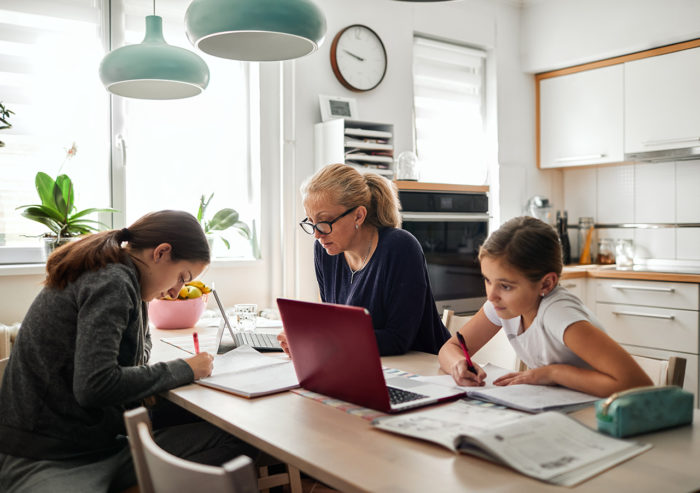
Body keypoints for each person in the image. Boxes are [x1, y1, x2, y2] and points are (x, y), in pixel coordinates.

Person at [0, 210, 256, 493]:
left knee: (234, 438)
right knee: (235, 446)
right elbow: (94, 386)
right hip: (49, 456)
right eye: (182, 277)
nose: (176, 292)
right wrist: (186, 369)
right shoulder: (112, 281)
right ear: (161, 252)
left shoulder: (124, 278)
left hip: (89, 441)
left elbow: (136, 357)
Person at [438, 216, 652, 397]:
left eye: (505, 286)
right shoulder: (503, 304)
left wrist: (552, 373)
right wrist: (458, 364)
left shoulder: (558, 315)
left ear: (546, 284)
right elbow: (451, 348)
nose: (491, 296)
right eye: (487, 280)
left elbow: (638, 385)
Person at [278, 163, 450, 356]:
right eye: (311, 222)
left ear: (358, 216)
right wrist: (305, 337)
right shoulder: (325, 250)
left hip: (424, 370)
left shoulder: (401, 248)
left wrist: (322, 340)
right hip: (362, 363)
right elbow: (335, 325)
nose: (317, 234)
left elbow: (398, 340)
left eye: (324, 222)